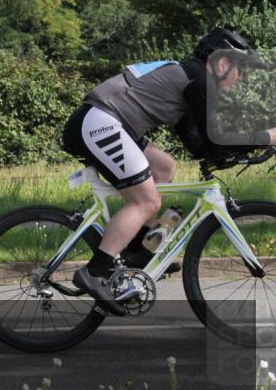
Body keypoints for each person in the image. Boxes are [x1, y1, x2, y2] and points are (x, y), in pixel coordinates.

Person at [61, 27, 275, 315]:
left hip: (110, 122)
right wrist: (267, 136)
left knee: (164, 168)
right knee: (146, 200)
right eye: (241, 71)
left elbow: (199, 145)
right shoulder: (198, 79)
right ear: (223, 62)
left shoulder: (190, 79)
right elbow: (217, 138)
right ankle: (95, 272)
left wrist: (235, 153)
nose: (242, 79)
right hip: (100, 121)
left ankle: (137, 252)